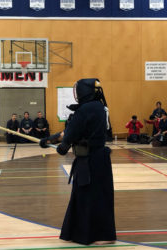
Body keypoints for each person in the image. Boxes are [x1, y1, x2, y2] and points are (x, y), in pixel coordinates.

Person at [40, 78, 116, 245]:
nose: (76, 94)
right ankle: (104, 235)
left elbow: (70, 135)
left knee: (86, 197)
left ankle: (90, 235)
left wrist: (61, 146)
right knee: (100, 196)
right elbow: (71, 129)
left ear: (84, 91)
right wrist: (51, 139)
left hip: (89, 161)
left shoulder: (85, 109)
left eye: (77, 90)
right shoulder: (98, 107)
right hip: (101, 160)